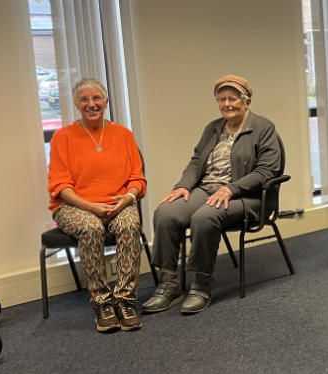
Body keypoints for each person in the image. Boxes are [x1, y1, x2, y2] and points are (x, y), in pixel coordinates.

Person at [143, 74, 283, 315]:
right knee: (165, 213)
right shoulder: (213, 128)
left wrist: (231, 188)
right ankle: (169, 283)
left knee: (204, 217)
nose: (227, 104)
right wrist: (183, 186)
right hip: (208, 189)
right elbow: (196, 162)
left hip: (248, 197)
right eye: (222, 99)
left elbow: (267, 171)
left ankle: (201, 284)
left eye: (233, 98)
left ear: (246, 101)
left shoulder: (263, 128)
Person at [47, 78, 146, 332]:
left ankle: (124, 300)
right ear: (77, 104)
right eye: (84, 99)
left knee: (130, 223)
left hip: (118, 202)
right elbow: (60, 185)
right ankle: (102, 302)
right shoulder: (63, 137)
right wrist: (91, 207)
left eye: (96, 98)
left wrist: (127, 198)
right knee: (91, 228)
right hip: (75, 206)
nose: (91, 104)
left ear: (106, 102)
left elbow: (137, 177)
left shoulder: (123, 134)